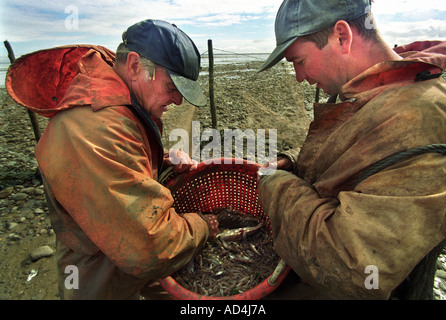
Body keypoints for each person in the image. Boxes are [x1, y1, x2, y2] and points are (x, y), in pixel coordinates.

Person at [6, 19, 219, 299]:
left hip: (118, 248)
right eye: (171, 87)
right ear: (134, 66)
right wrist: (203, 225)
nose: (178, 101)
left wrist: (161, 162)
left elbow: (117, 166)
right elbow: (151, 245)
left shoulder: (121, 100)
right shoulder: (95, 128)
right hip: (96, 270)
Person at [257, 0, 446, 299]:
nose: (299, 77)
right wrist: (293, 162)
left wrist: (275, 186)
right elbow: (350, 152)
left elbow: (356, 270)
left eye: (299, 60)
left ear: (342, 36)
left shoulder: (420, 119)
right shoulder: (367, 87)